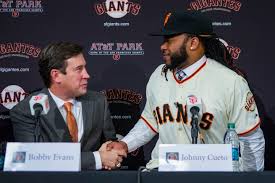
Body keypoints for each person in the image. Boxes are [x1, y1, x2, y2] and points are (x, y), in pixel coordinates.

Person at [106, 11, 265, 171]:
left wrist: (250, 179)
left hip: (212, 174)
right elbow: (150, 121)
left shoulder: (231, 82)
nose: (163, 46)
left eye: (169, 40)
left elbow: (251, 139)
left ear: (193, 43)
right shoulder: (159, 75)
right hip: (164, 171)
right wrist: (126, 144)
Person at [10, 42, 126, 170]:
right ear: (56, 75)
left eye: (85, 68)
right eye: (78, 69)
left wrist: (113, 152)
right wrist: (97, 159)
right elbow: (29, 159)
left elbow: (110, 147)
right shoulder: (27, 110)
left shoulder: (98, 101)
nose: (87, 75)